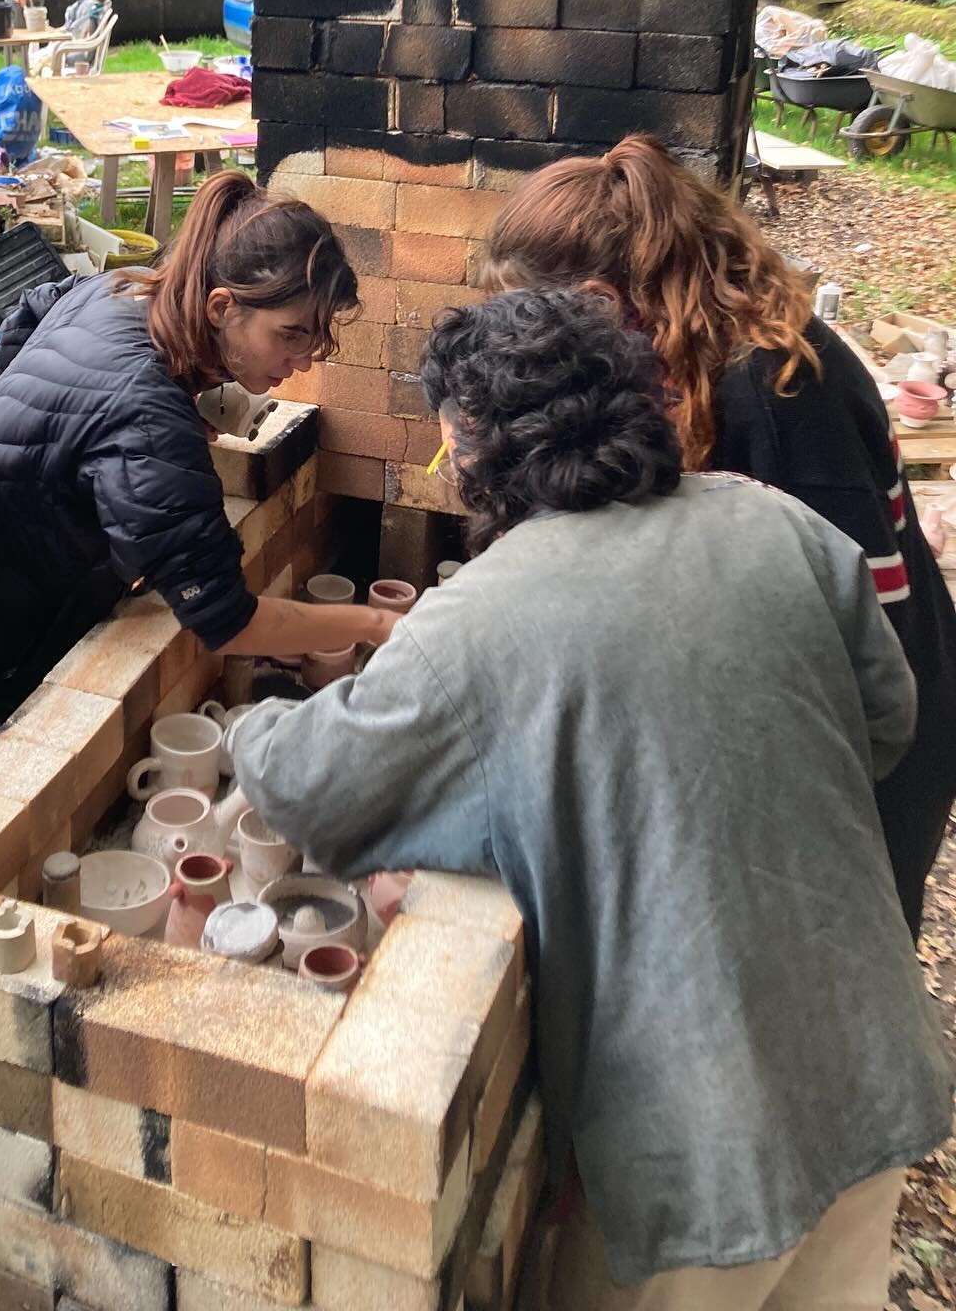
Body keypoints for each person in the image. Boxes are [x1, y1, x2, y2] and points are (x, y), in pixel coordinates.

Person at [234, 290, 951, 1311]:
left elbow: (302, 783)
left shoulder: (480, 621)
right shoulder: (772, 518)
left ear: (473, 448)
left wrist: (257, 713)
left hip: (700, 1155)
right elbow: (886, 721)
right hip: (876, 1073)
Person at [475, 133, 956, 939]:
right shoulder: (690, 357)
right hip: (827, 718)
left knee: (826, 968)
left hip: (877, 744)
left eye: (533, 320)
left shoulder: (778, 391)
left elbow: (847, 638)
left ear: (597, 303)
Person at [0, 170, 396, 785]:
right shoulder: (146, 410)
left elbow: (37, 303)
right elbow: (226, 620)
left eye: (314, 340)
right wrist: (378, 624)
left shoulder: (119, 291)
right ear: (222, 307)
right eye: (290, 334)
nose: (300, 361)